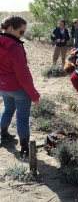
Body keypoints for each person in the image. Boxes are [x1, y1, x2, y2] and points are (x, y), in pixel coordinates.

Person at [0, 15, 40, 156]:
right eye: (21, 32)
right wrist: (34, 95)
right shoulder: (15, 48)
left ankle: (3, 134)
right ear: (10, 28)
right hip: (18, 89)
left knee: (8, 109)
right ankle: (24, 148)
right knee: (22, 118)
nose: (23, 35)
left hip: (3, 87)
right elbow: (23, 76)